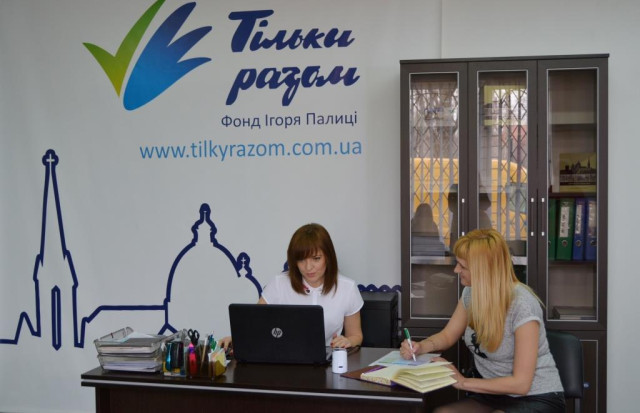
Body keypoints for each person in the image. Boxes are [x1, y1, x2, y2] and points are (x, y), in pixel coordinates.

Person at [400, 229, 565, 413]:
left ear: (483, 270)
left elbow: (521, 384)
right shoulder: (471, 293)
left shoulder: (523, 305)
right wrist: (421, 347)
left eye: (462, 266)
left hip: (535, 396)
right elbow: (447, 335)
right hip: (493, 394)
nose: (456, 270)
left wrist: (463, 382)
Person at [220, 223, 363, 350]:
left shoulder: (347, 288)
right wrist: (236, 339)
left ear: (328, 257)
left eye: (316, 258)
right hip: (282, 359)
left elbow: (356, 335)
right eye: (301, 260)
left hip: (326, 361)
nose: (308, 267)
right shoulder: (279, 283)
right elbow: (254, 325)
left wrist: (348, 341)